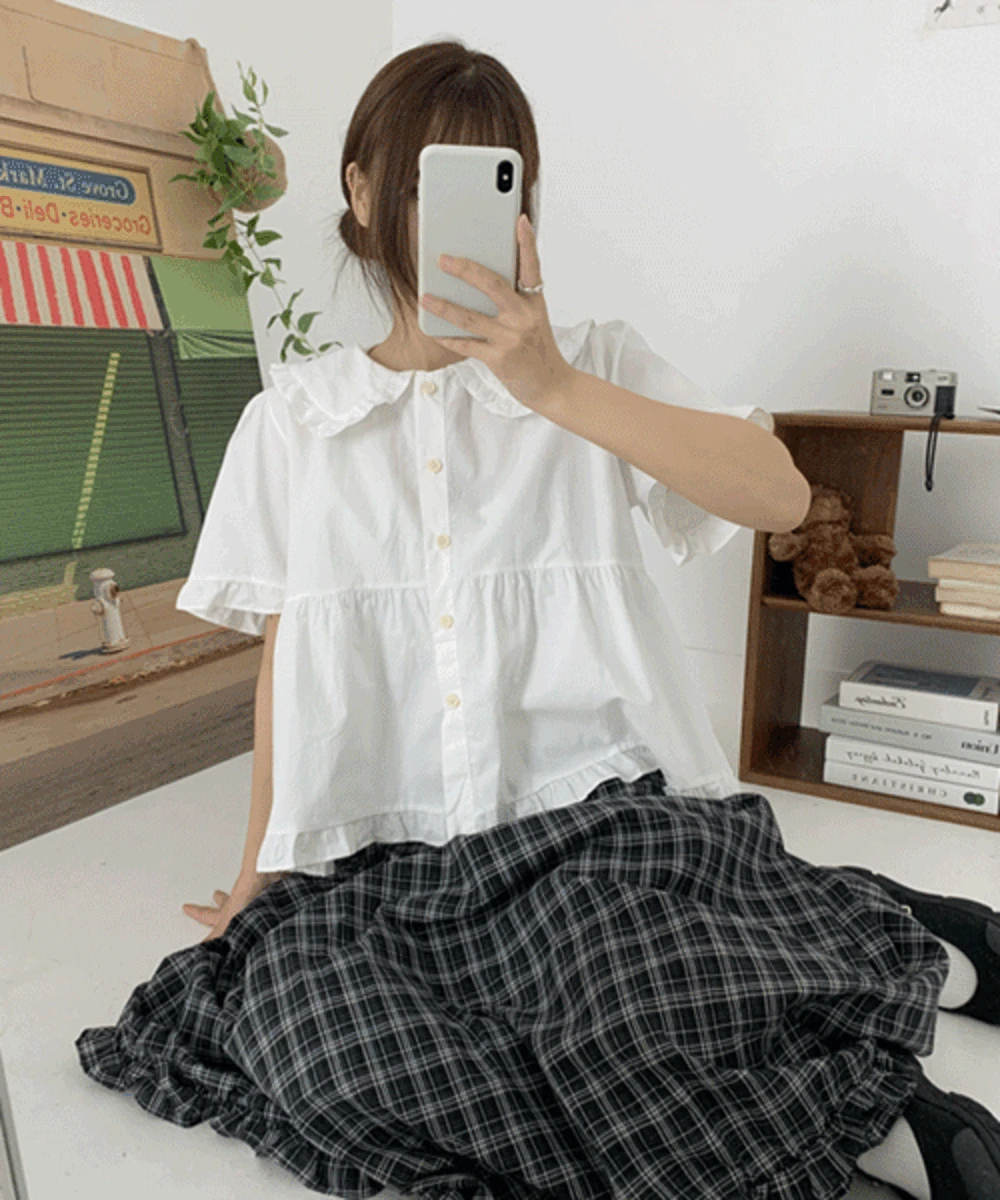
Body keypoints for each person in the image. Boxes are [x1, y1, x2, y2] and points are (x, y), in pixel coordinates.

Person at [76, 38, 1000, 1200]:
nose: (455, 215)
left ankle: (887, 1109)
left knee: (622, 1006)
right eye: (426, 179)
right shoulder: (294, 422)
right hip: (386, 859)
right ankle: (859, 958)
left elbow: (778, 496)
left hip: (589, 825)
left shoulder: (595, 368)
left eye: (494, 178)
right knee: (323, 1052)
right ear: (361, 190)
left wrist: (553, 386)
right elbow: (288, 658)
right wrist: (258, 871)